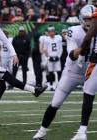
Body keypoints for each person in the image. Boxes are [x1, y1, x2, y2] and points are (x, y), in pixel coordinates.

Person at [32, 5, 93, 140]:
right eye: (88, 19)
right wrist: (86, 42)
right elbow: (72, 55)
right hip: (72, 72)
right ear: (81, 19)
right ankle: (41, 131)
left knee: (88, 98)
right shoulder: (73, 31)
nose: (90, 22)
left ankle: (82, 132)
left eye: (93, 19)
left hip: (91, 72)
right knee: (55, 103)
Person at [71, 5, 97, 140]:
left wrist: (81, 56)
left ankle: (82, 131)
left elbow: (87, 39)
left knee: (88, 93)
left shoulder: (96, 17)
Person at [43, 26, 63, 90]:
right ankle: (51, 85)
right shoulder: (46, 39)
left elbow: (60, 48)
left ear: (54, 32)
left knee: (59, 71)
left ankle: (59, 84)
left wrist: (59, 56)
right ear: (48, 33)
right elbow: (45, 49)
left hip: (57, 57)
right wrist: (48, 57)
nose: (51, 33)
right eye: (50, 32)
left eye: (52, 31)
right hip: (50, 57)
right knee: (51, 72)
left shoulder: (58, 38)